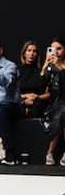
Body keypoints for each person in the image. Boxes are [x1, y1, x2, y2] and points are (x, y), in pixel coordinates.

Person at [41, 38, 64, 166]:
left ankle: (51, 152)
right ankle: (50, 153)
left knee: (63, 112)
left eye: (59, 49)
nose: (56, 53)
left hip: (63, 103)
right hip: (53, 104)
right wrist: (44, 67)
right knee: (61, 112)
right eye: (53, 50)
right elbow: (40, 87)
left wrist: (60, 68)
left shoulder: (61, 67)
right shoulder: (50, 67)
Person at [18, 41, 48, 120]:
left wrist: (36, 97)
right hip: (21, 101)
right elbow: (13, 92)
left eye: (34, 51)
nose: (31, 53)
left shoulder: (42, 71)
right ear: (24, 53)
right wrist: (25, 97)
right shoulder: (17, 71)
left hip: (38, 102)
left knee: (35, 111)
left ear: (37, 54)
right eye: (29, 50)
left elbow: (44, 90)